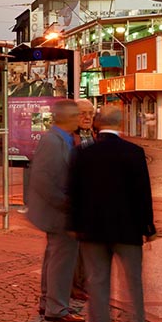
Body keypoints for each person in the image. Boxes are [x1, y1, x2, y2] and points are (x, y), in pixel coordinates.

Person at [69, 105, 156, 322]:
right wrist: (148, 227)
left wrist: (75, 225)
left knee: (97, 282)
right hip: (127, 230)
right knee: (133, 282)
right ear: (120, 124)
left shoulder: (83, 154)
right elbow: (143, 194)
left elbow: (74, 194)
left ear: (98, 124)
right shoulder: (134, 152)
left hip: (92, 230)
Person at [26, 98, 83, 322]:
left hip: (58, 210)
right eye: (77, 115)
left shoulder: (63, 139)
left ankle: (48, 302)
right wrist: (65, 202)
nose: (81, 119)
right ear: (69, 118)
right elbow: (42, 179)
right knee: (62, 259)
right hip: (58, 212)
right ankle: (57, 308)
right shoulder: (53, 141)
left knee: (55, 257)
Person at [70, 99, 97, 302]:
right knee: (74, 249)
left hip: (91, 201)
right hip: (75, 201)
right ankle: (74, 285)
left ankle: (83, 282)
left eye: (90, 113)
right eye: (83, 113)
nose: (87, 117)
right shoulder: (69, 138)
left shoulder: (93, 136)